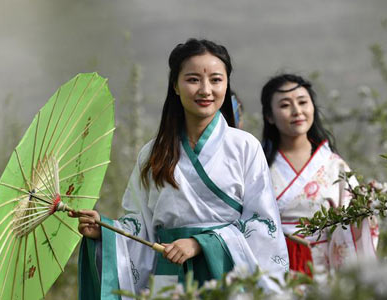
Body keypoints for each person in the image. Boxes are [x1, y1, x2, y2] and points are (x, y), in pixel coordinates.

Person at [71, 39, 289, 298]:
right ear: (175, 85)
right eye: (193, 79)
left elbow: (262, 224)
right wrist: (106, 232)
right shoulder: (153, 153)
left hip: (227, 274)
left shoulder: (245, 147)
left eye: (216, 80)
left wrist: (201, 244)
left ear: (227, 84)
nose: (206, 90)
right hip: (169, 273)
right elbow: (141, 225)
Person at [260, 73, 378, 276]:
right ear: (269, 116)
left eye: (303, 102)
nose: (297, 111)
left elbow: (352, 231)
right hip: (274, 270)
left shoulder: (334, 166)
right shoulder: (257, 165)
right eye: (285, 105)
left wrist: (364, 211)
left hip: (323, 269)